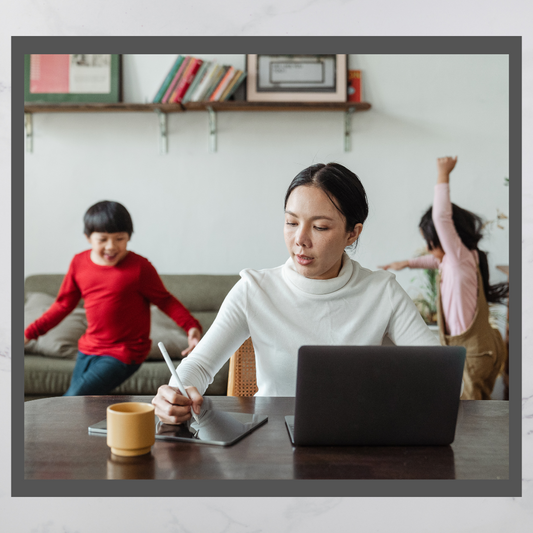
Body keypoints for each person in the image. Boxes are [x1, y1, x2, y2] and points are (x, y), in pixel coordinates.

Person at [152, 163, 440, 425]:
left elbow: (437, 371)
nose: (300, 240)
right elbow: (200, 365)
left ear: (353, 233)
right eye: (291, 222)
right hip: (272, 447)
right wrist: (175, 393)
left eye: (320, 227)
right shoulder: (255, 289)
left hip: (358, 442)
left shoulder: (382, 291)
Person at [24, 200, 202, 396]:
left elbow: (165, 300)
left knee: (72, 399)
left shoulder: (140, 268)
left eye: (119, 239)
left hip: (125, 352)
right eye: (102, 239)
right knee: (79, 406)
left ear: (128, 237)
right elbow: (63, 305)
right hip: (88, 348)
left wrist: (191, 326)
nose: (111, 246)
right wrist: (29, 333)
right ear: (88, 237)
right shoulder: (78, 263)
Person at [379, 156, 508, 400]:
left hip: (474, 353)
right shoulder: (458, 260)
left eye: (429, 242)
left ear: (444, 237)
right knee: (465, 410)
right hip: (473, 349)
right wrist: (406, 263)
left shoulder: (459, 256)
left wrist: (443, 174)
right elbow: (434, 261)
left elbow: (441, 218)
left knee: (471, 414)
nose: (427, 249)